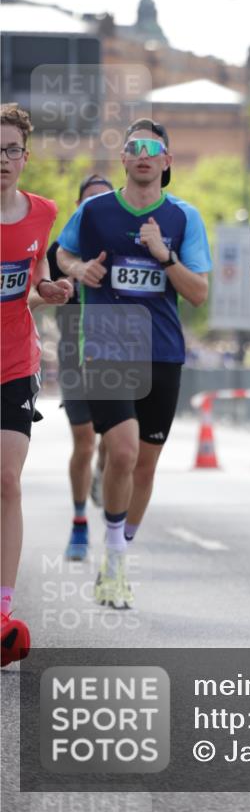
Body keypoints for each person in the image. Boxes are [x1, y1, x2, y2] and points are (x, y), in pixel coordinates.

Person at [56, 119, 211, 609]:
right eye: (133, 147)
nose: (143, 155)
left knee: (144, 466)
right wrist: (80, 270)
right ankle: (113, 557)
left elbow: (199, 293)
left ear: (166, 162)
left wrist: (164, 256)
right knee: (120, 452)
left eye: (153, 148)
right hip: (108, 339)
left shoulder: (184, 218)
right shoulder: (95, 210)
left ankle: (119, 552)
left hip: (162, 350)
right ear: (123, 158)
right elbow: (62, 253)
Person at [1, 104, 73, 667]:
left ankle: (1, 611)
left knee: (8, 480)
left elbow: (35, 280)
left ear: (25, 157)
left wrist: (50, 291)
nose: (3, 160)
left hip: (14, 362)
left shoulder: (43, 212)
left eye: (10, 150)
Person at [46, 174, 113, 561]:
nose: (96, 209)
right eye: (89, 202)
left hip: (121, 354)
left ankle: (105, 471)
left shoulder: (124, 244)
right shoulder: (62, 248)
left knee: (114, 444)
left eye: (104, 201)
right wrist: (70, 277)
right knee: (84, 440)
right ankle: (79, 522)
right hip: (76, 352)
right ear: (78, 208)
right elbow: (46, 293)